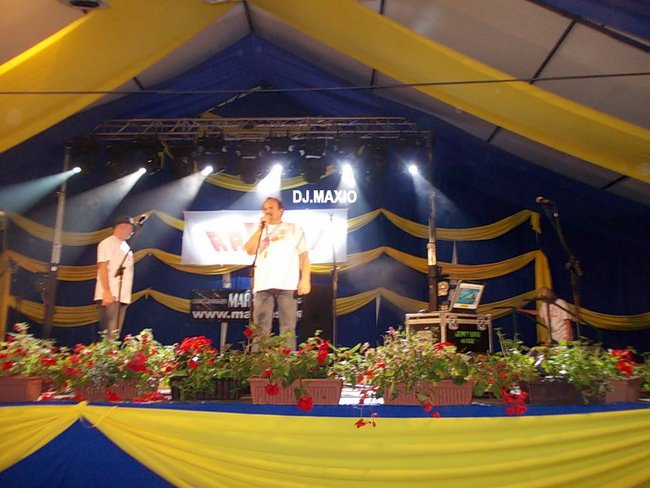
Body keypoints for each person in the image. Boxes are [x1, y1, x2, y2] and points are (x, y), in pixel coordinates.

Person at [244, 197, 311, 349]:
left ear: (281, 210)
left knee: (288, 327)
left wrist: (305, 279)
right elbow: (249, 250)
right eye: (265, 209)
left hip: (287, 283)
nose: (268, 211)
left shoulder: (293, 228)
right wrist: (260, 228)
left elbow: (304, 256)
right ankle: (258, 361)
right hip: (263, 284)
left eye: (271, 208)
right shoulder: (260, 230)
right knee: (260, 328)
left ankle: (286, 361)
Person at [94, 215, 136, 337]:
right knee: (109, 333)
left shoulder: (126, 246)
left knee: (115, 333)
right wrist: (107, 292)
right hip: (111, 294)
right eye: (130, 228)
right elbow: (102, 267)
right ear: (121, 227)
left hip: (122, 296)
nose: (131, 232)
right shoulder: (107, 243)